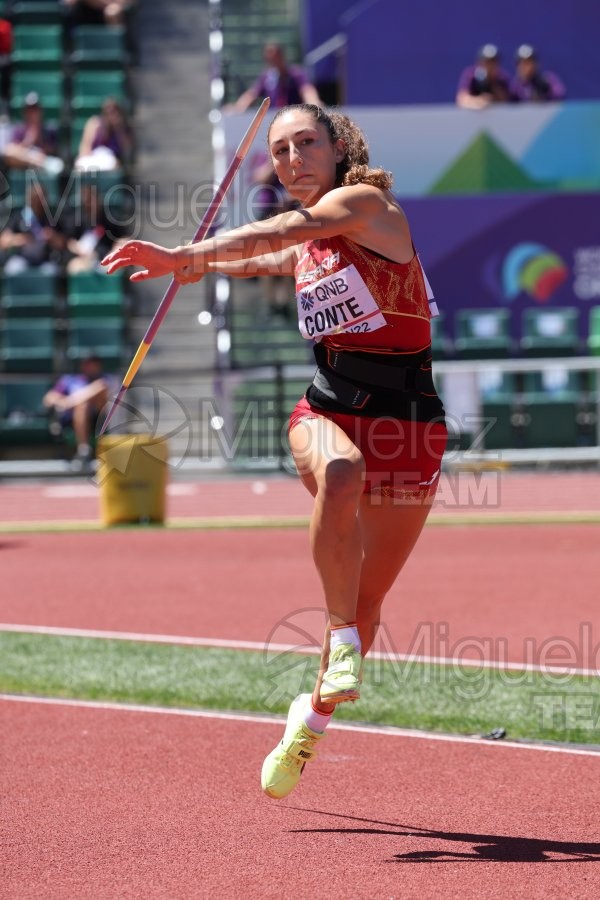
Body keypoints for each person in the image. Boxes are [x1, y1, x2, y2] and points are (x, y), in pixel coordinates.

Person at [102, 104, 448, 799]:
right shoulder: (313, 244)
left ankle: (309, 722)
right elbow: (274, 255)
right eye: (280, 151)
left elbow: (291, 228)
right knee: (341, 475)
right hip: (328, 410)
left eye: (305, 144)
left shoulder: (365, 203)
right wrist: (207, 270)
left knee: (371, 598)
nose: (291, 160)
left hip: (410, 426)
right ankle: (339, 634)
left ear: (339, 146)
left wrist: (188, 255)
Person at [43, 354, 112, 471]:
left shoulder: (105, 379)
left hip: (99, 419)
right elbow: (48, 399)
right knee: (82, 406)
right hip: (72, 419)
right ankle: (84, 450)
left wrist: (69, 401)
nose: (93, 367)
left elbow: (103, 390)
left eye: (96, 364)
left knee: (95, 391)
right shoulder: (70, 380)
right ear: (83, 366)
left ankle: (84, 450)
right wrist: (63, 401)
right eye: (89, 364)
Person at [226, 42, 321, 113]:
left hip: (294, 117)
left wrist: (315, 105)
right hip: (274, 119)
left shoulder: (297, 74)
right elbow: (251, 94)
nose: (273, 61)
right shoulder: (267, 77)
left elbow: (308, 91)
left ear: (282, 56)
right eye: (269, 59)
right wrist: (238, 108)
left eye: (275, 57)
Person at [0, 179, 67, 275]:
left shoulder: (52, 218)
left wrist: (53, 237)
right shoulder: (18, 217)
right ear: (29, 198)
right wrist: (18, 239)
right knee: (12, 269)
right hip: (22, 259)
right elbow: (3, 242)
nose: (38, 202)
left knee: (52, 271)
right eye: (36, 198)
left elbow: (63, 244)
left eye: (42, 198)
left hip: (45, 260)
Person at [66, 181, 129, 274]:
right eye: (85, 201)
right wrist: (79, 249)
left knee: (116, 263)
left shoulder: (110, 218)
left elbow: (124, 238)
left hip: (107, 259)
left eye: (90, 200)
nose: (88, 204)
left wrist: (114, 251)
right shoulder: (78, 220)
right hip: (85, 260)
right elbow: (69, 241)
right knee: (74, 267)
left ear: (97, 198)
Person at [2, 92, 64, 174]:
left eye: (35, 109)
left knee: (56, 164)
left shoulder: (49, 129)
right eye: (29, 110)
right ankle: (39, 164)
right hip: (26, 160)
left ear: (40, 111)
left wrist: (39, 138)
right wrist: (28, 141)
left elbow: (52, 150)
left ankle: (39, 164)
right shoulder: (19, 129)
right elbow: (13, 151)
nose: (32, 113)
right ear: (25, 112)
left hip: (44, 158)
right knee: (9, 152)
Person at [74, 97, 133, 172]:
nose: (111, 115)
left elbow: (126, 149)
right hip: (94, 157)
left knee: (111, 165)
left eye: (114, 112)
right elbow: (85, 148)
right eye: (108, 112)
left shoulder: (122, 128)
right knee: (81, 164)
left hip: (111, 159)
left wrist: (118, 128)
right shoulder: (94, 123)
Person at [456, 44, 511, 109]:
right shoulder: (471, 75)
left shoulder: (502, 77)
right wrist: (479, 101)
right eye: (486, 62)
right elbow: (461, 100)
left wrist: (493, 86)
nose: (490, 66)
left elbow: (508, 102)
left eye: (493, 62)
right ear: (479, 62)